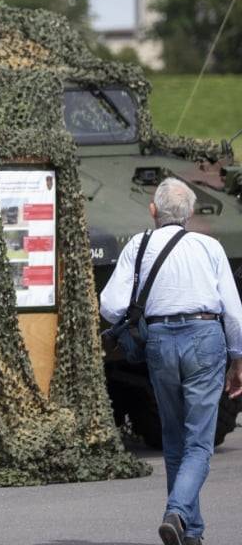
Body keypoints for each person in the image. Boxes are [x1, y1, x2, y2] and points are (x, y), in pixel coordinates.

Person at [99, 177, 242, 545]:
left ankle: (191, 533)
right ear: (191, 212)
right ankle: (177, 512)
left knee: (174, 438)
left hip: (160, 342)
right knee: (199, 443)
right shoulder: (209, 246)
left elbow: (110, 305)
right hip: (205, 338)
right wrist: (238, 358)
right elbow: (234, 312)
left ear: (153, 211)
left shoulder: (138, 245)